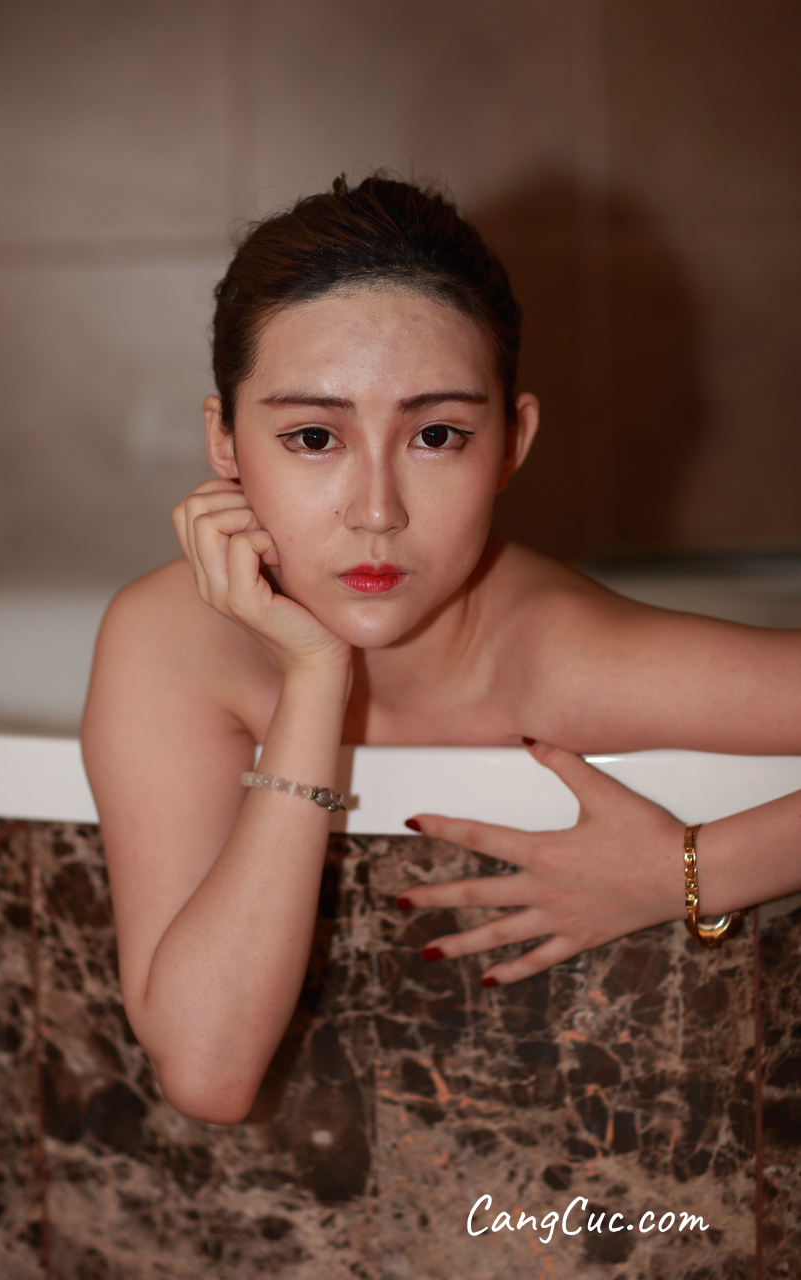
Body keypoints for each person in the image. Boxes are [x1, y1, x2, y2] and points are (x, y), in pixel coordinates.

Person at [81, 174, 801, 1126]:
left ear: (511, 442)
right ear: (224, 441)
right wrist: (313, 677)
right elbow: (208, 1068)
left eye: (435, 435)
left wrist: (687, 872)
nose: (377, 512)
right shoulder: (167, 640)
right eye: (313, 436)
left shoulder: (565, 659)